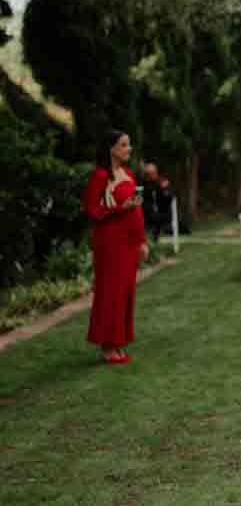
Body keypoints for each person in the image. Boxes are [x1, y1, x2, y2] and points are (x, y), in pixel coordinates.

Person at [83, 130, 149, 365]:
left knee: (124, 294)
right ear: (111, 149)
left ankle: (118, 342)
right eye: (123, 145)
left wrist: (142, 241)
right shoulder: (101, 176)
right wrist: (121, 208)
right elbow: (91, 210)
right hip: (110, 243)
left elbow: (136, 211)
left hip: (129, 243)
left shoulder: (128, 174)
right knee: (111, 293)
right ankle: (107, 347)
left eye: (128, 145)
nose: (128, 149)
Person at [140, 162, 174, 242]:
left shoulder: (162, 181)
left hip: (162, 212)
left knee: (160, 215)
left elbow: (170, 197)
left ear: (156, 172)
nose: (151, 175)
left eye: (153, 173)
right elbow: (142, 198)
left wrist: (164, 189)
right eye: (148, 174)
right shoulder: (143, 184)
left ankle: (158, 232)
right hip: (147, 213)